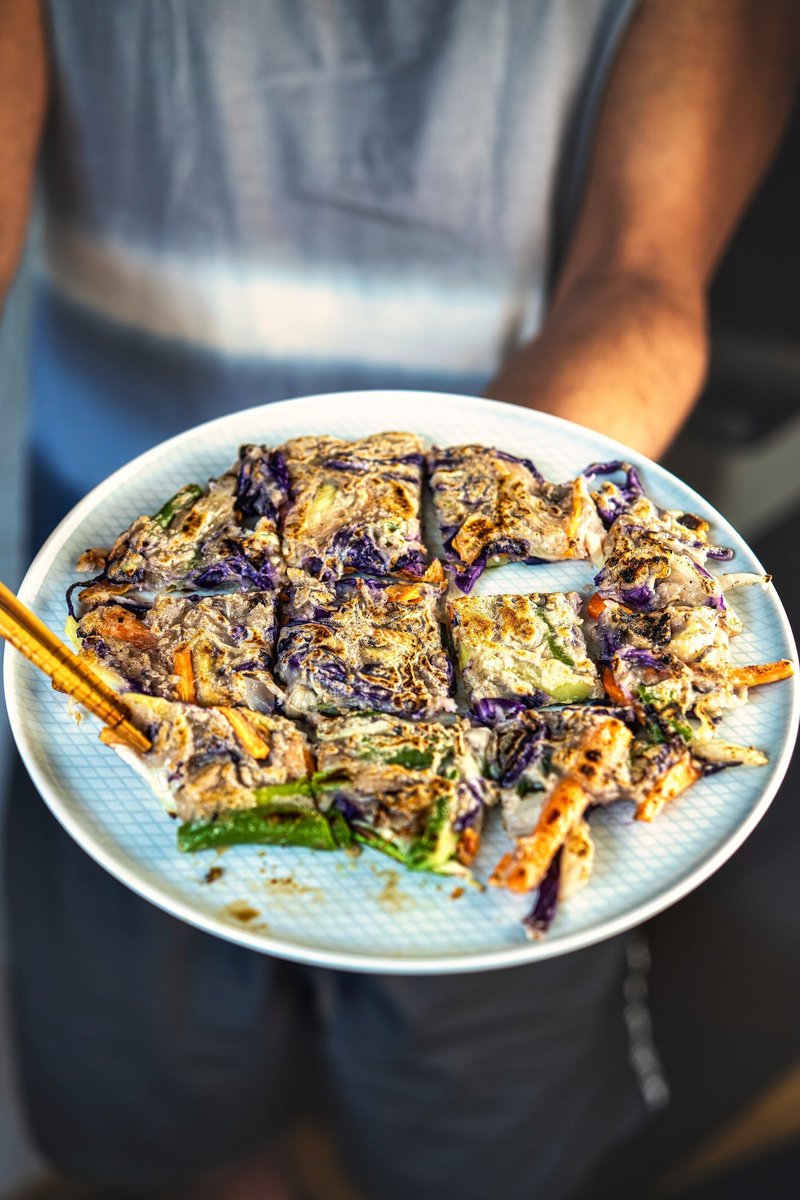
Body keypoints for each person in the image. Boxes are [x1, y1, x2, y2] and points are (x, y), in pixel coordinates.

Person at [2, 2, 798, 1197]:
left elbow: (637, 276)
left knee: (473, 1142)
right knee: (152, 1107)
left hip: (533, 583)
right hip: (117, 584)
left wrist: (442, 606)